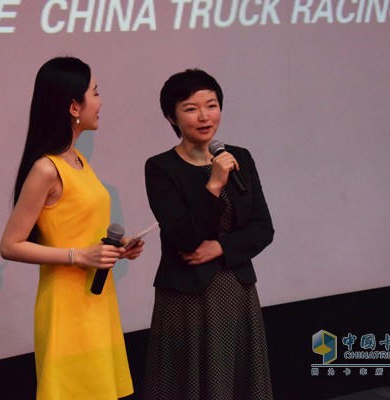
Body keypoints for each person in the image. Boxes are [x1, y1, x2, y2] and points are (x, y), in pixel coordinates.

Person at [0, 56, 143, 400]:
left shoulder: (79, 161)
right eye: (96, 92)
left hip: (97, 301)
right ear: (74, 106)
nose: (101, 101)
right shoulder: (46, 169)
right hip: (67, 308)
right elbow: (10, 245)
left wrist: (118, 245)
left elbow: (80, 226)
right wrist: (79, 256)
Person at [142, 69, 275, 400]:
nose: (204, 116)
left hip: (237, 290)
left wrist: (220, 247)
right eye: (191, 108)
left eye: (211, 105)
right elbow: (183, 237)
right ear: (171, 116)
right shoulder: (160, 168)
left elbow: (263, 228)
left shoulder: (239, 157)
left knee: (238, 383)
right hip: (186, 297)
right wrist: (214, 183)